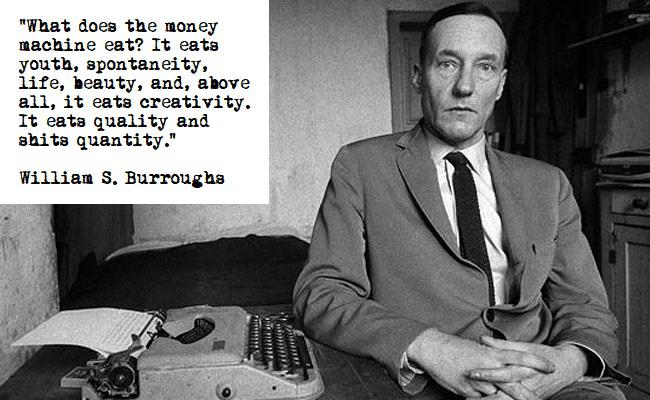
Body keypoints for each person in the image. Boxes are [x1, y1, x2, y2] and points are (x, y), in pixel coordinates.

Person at [292, 2, 629, 399]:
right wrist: (430, 346)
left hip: (542, 380)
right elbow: (321, 294)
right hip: (423, 382)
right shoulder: (361, 166)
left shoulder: (548, 183)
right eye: (447, 64)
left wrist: (565, 365)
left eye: (485, 67)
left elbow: (587, 308)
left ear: (501, 84)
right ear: (418, 76)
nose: (464, 86)